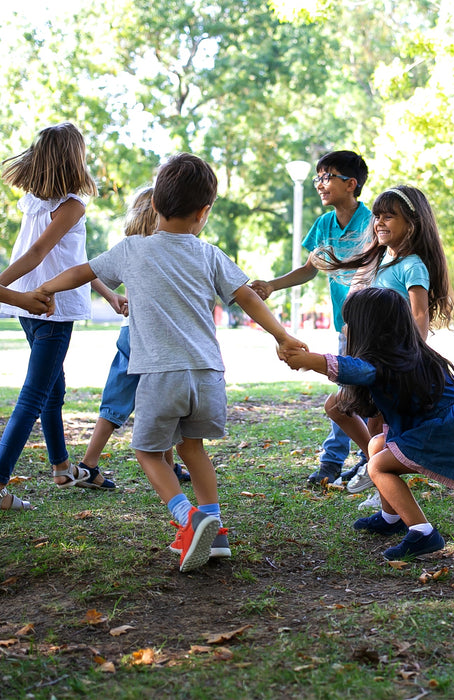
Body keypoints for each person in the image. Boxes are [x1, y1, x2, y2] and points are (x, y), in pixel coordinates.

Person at [38, 152, 307, 573]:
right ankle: (215, 531)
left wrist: (46, 288)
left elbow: (81, 272)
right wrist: (282, 335)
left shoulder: (132, 250)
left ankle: (189, 516)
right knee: (193, 449)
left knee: (146, 450)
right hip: (208, 375)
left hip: (161, 375)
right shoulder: (209, 254)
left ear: (154, 207)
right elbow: (248, 296)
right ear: (204, 212)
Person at [284, 287, 454, 559]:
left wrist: (311, 361)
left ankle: (423, 533)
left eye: (349, 323)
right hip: (451, 426)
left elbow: (356, 369)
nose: (345, 328)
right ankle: (390, 518)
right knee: (377, 445)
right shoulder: (405, 354)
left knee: (378, 466)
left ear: (369, 328)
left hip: (448, 430)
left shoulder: (388, 361)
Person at [0, 123, 126, 512]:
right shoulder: (71, 204)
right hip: (49, 308)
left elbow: (73, 260)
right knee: (35, 395)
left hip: (30, 305)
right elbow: (38, 253)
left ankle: (60, 466)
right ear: (75, 158)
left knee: (54, 389)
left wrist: (107, 291)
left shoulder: (34, 203)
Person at [315, 185, 453, 501]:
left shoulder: (413, 265)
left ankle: (382, 481)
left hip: (393, 363)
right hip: (371, 359)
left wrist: (414, 356)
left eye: (389, 216)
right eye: (377, 215)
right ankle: (373, 464)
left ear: (412, 224)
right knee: (337, 408)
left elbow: (419, 316)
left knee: (378, 423)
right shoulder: (381, 262)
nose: (379, 221)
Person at [250, 150, 371, 486]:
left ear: (351, 184)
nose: (320, 184)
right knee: (348, 393)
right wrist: (272, 285)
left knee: (351, 395)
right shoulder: (324, 225)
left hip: (371, 328)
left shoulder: (372, 222)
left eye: (326, 176)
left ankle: (339, 463)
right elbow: (309, 269)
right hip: (344, 327)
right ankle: (362, 459)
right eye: (318, 177)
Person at [75, 187, 189, 489]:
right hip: (153, 338)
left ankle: (90, 464)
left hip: (131, 334)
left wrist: (116, 297)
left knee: (117, 400)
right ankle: (92, 465)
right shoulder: (166, 248)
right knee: (162, 400)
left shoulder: (130, 247)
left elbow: (90, 270)